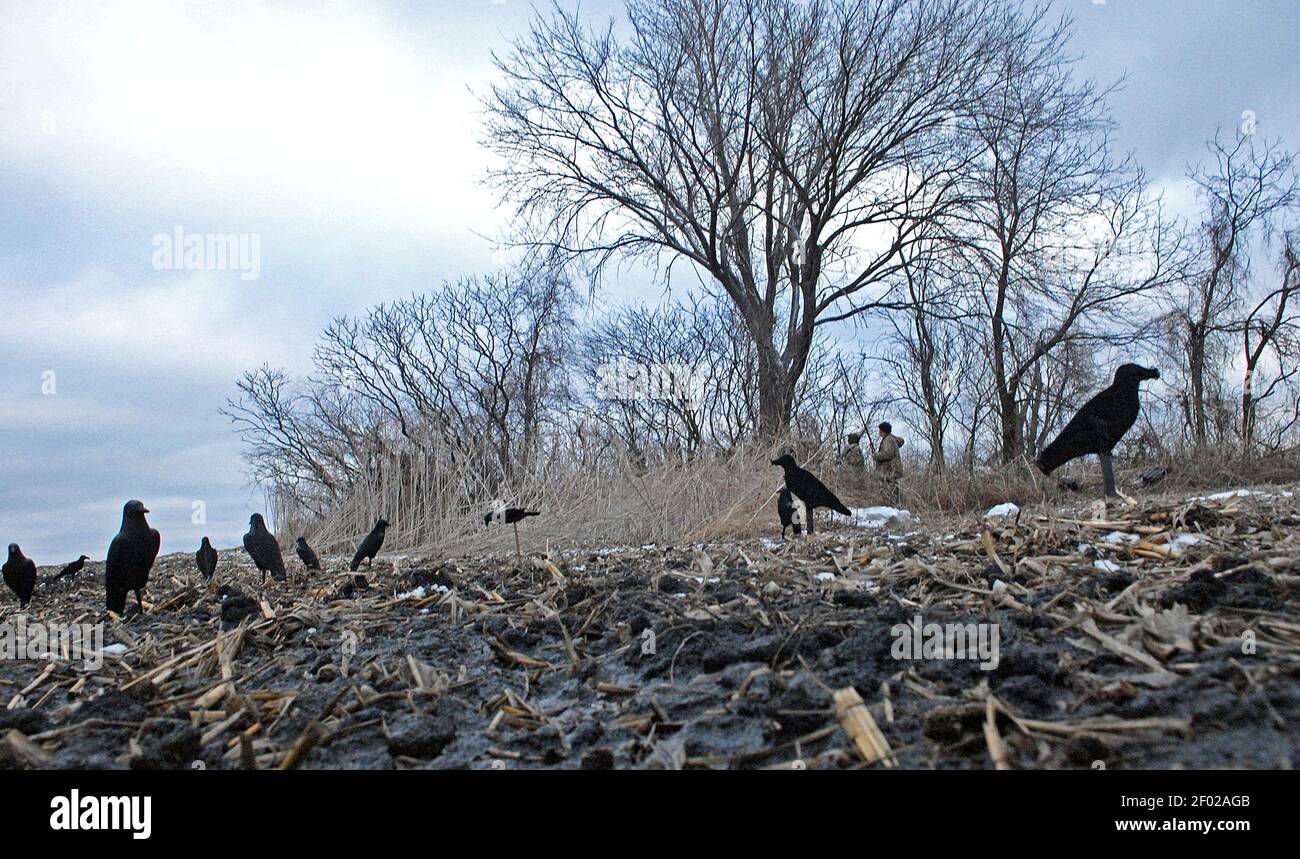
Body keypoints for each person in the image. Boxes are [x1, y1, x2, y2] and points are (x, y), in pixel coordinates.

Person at [872, 422, 904, 504]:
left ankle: (892, 508)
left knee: (890, 493)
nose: (879, 432)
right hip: (893, 470)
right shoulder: (890, 439)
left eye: (880, 430)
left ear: (883, 431)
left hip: (890, 471)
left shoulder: (888, 440)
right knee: (893, 492)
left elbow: (888, 454)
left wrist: (876, 456)